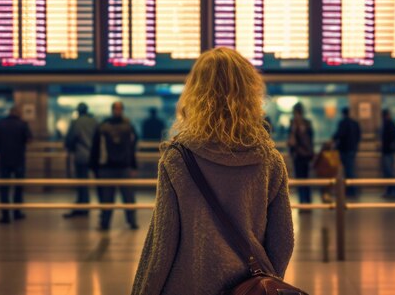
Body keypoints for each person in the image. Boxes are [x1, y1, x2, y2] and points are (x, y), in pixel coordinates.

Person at [131, 48, 294, 295]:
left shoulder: (178, 158)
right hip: (248, 286)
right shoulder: (269, 160)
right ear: (250, 93)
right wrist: (264, 283)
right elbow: (283, 240)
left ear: (195, 93)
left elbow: (162, 243)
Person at [90, 101, 139, 231]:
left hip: (108, 167)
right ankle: (131, 221)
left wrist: (94, 167)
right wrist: (133, 166)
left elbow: (95, 148)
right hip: (119, 166)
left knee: (107, 198)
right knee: (127, 196)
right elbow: (132, 148)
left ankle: (106, 223)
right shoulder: (128, 126)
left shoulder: (103, 126)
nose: (117, 111)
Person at [0, 106, 32, 224]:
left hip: (4, 158)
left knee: (4, 188)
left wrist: (0, 149)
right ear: (18, 113)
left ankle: (5, 215)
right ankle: (17, 212)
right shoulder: (23, 124)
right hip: (19, 159)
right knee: (18, 187)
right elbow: (29, 139)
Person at [63, 103, 97, 218]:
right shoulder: (94, 121)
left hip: (81, 155)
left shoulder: (76, 122)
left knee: (82, 183)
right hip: (94, 156)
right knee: (99, 183)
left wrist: (70, 148)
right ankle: (99, 208)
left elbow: (70, 138)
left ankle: (82, 206)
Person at [288, 102, 314, 207]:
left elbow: (293, 141)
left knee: (303, 178)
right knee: (303, 178)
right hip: (303, 155)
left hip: (301, 155)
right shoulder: (303, 123)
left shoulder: (299, 124)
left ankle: (305, 202)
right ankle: (305, 201)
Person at [333, 107, 361, 197]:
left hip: (344, 150)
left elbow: (339, 134)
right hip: (352, 149)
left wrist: (333, 139)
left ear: (343, 114)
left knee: (348, 171)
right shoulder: (355, 123)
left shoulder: (343, 123)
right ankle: (353, 190)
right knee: (351, 170)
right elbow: (358, 136)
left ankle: (351, 191)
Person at [380, 109, 395, 199]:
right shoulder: (390, 124)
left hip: (387, 151)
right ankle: (392, 190)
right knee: (389, 172)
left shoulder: (387, 124)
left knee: (389, 172)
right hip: (389, 151)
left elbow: (388, 138)